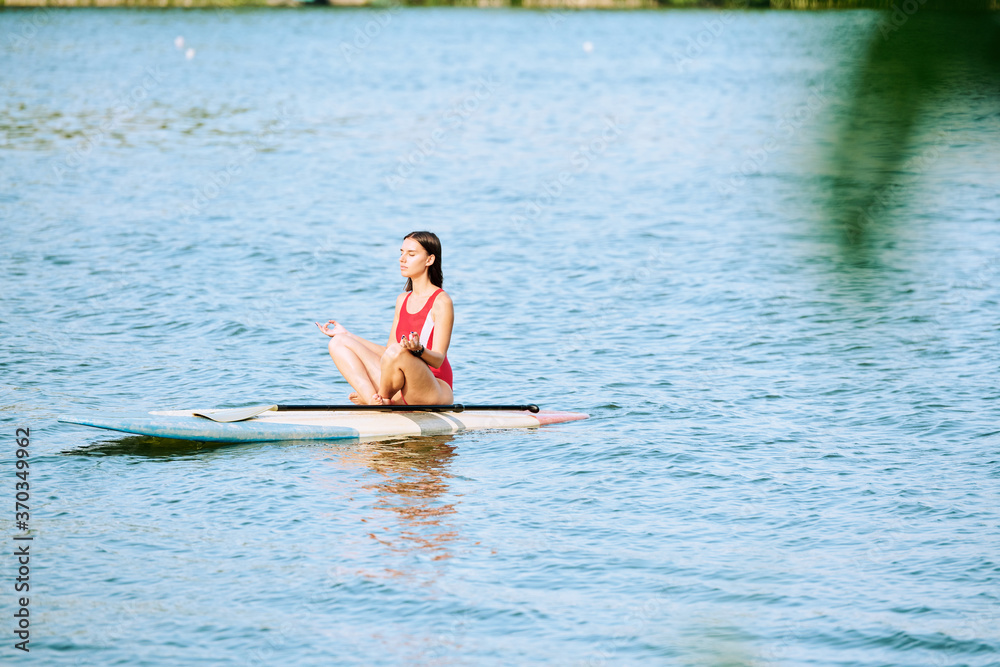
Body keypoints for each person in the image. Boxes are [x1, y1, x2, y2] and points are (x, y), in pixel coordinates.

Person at [316, 231, 454, 406]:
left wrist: (418, 350)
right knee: (338, 342)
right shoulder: (402, 300)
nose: (402, 259)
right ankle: (374, 400)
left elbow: (438, 359)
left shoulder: (442, 301)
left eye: (411, 254)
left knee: (398, 351)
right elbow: (388, 353)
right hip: (401, 383)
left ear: (429, 260)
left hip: (433, 387)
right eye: (401, 252)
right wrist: (347, 335)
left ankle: (379, 398)